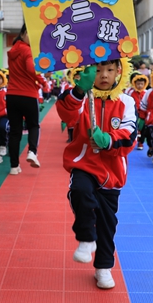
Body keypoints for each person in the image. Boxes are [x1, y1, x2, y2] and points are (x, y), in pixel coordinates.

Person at [56, 59, 137, 289]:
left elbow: (130, 134)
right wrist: (80, 89)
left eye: (109, 70)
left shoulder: (126, 101)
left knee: (107, 224)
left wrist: (109, 139)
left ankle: (103, 267)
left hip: (112, 173)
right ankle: (86, 237)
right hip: (84, 163)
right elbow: (66, 113)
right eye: (98, 70)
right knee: (80, 191)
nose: (103, 75)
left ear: (118, 72)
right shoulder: (81, 97)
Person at [6, 24, 44, 174]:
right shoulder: (28, 51)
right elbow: (31, 69)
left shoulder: (13, 51)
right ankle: (32, 152)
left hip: (12, 96)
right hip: (28, 94)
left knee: (15, 131)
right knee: (34, 125)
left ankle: (14, 167)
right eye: (29, 33)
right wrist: (42, 81)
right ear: (22, 34)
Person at [127, 73, 149, 151]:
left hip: (143, 114)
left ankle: (141, 142)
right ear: (134, 83)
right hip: (134, 113)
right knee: (134, 127)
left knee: (143, 129)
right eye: (138, 84)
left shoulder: (146, 93)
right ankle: (132, 140)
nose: (140, 85)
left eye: (141, 84)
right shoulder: (130, 92)